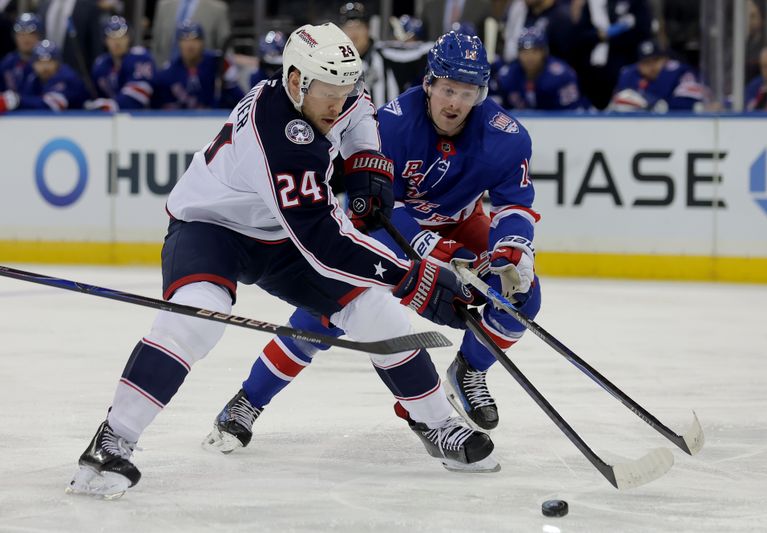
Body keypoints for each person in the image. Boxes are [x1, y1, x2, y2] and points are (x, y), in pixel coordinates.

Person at [66, 22, 495, 500]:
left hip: (280, 234)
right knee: (196, 318)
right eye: (328, 94)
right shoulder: (273, 133)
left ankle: (435, 422)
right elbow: (323, 243)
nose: (339, 104)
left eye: (345, 91)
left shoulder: (336, 94)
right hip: (212, 229)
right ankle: (113, 439)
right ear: (295, 82)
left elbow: (361, 114)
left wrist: (365, 161)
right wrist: (412, 275)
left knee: (374, 310)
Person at [204, 31, 540, 448]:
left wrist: (512, 249)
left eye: (467, 92)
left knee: (521, 293)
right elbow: (377, 209)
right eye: (448, 89)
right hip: (386, 228)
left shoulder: (506, 137)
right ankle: (248, 401)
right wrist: (428, 251)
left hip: (456, 226)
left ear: (482, 94)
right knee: (325, 309)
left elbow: (515, 207)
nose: (455, 103)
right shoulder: (391, 124)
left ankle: (469, 370)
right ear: (429, 83)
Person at [152, 21, 244, 110]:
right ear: (178, 44)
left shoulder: (219, 62)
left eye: (195, 39)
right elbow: (157, 107)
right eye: (185, 40)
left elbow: (239, 99)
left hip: (219, 120)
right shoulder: (168, 72)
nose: (190, 45)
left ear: (202, 42)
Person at [491, 26, 583, 111]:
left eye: (535, 51)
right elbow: (497, 108)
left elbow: (573, 112)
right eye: (524, 52)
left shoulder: (562, 75)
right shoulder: (508, 75)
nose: (529, 57)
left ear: (544, 52)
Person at [609, 40, 705, 113]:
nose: (652, 67)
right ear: (638, 65)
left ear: (665, 59)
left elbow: (690, 103)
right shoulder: (628, 75)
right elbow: (618, 104)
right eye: (646, 63)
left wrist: (656, 104)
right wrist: (654, 104)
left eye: (656, 60)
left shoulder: (680, 71)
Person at [85, 16, 156, 112]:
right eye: (112, 37)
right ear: (105, 40)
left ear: (129, 38)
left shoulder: (141, 58)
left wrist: (111, 105)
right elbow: (97, 97)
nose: (117, 42)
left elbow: (138, 95)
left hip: (143, 119)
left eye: (121, 36)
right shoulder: (100, 65)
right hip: (112, 120)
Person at [3, 39, 88, 113]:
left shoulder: (67, 78)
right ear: (33, 64)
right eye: (40, 62)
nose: (45, 67)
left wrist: (19, 101)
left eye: (49, 62)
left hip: (78, 122)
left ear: (58, 63)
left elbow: (55, 104)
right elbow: (28, 96)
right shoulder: (33, 78)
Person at [150, 0, 230, 68]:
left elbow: (226, 48)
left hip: (203, 77)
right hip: (164, 75)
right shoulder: (163, 5)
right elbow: (156, 44)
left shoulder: (218, 8)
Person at [0, 13, 41, 94]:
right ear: (15, 37)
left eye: (31, 34)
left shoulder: (48, 63)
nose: (26, 38)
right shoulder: (7, 63)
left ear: (39, 35)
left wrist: (19, 101)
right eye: (21, 34)